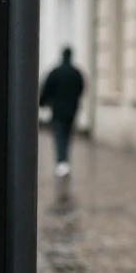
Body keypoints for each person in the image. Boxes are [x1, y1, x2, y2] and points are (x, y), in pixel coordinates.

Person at [38, 47, 86, 177]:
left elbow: (47, 88)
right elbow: (81, 89)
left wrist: (41, 102)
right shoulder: (76, 73)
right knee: (67, 135)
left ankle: (61, 161)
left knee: (59, 136)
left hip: (58, 110)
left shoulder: (56, 72)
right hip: (72, 110)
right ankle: (64, 160)